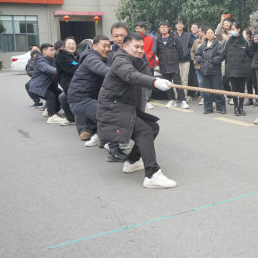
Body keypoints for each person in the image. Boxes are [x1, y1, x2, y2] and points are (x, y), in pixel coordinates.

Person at [97, 33, 177, 188]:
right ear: (125, 46)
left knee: (153, 127)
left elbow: (145, 78)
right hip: (113, 108)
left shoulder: (139, 61)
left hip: (126, 107)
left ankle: (132, 162)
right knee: (144, 131)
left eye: (142, 47)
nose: (140, 50)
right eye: (136, 47)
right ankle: (152, 175)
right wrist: (154, 82)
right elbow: (131, 76)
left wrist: (158, 82)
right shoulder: (120, 60)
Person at [68, 35, 112, 147]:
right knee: (109, 115)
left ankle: (100, 137)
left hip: (87, 95)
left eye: (109, 46)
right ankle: (114, 146)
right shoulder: (91, 58)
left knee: (105, 112)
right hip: (80, 98)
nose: (107, 48)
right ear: (94, 46)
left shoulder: (98, 57)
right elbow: (105, 71)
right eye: (104, 46)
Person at [154, 21, 189, 109]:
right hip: (163, 65)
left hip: (173, 64)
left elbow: (180, 51)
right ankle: (172, 100)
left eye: (165, 27)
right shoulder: (157, 39)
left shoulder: (174, 38)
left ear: (169, 28)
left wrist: (175, 59)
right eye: (162, 27)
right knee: (167, 84)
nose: (163, 28)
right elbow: (157, 52)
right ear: (159, 29)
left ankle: (183, 101)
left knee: (178, 83)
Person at [29, 43, 66, 124]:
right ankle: (52, 116)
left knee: (60, 95)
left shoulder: (52, 59)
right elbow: (47, 68)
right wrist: (60, 72)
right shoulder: (40, 60)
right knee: (51, 96)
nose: (53, 52)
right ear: (44, 52)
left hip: (48, 85)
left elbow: (63, 64)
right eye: (51, 50)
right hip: (39, 86)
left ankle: (49, 111)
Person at [194, 27, 226, 114]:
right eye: (208, 33)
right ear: (206, 34)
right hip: (204, 70)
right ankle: (208, 108)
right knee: (206, 91)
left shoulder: (218, 44)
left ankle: (221, 107)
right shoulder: (203, 44)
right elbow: (197, 55)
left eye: (211, 33)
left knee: (217, 90)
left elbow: (221, 55)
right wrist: (202, 62)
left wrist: (212, 62)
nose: (210, 34)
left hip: (215, 70)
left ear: (214, 34)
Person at [222, 22, 251, 116]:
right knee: (234, 89)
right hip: (231, 69)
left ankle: (241, 107)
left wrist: (247, 65)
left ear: (239, 29)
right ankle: (235, 107)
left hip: (243, 69)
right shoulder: (227, 42)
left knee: (241, 89)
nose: (233, 31)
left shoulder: (245, 41)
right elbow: (223, 55)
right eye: (231, 29)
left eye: (234, 29)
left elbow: (250, 54)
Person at [56, 37, 81, 126]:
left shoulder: (78, 56)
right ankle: (73, 119)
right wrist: (80, 65)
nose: (71, 46)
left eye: (73, 44)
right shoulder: (62, 55)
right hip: (71, 84)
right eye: (69, 44)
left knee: (63, 97)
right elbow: (73, 67)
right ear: (64, 47)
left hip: (78, 83)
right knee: (65, 97)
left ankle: (73, 119)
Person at [135, 21, 157, 110]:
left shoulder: (151, 38)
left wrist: (145, 60)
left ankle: (148, 101)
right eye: (135, 28)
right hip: (138, 63)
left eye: (138, 28)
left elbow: (153, 51)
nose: (136, 30)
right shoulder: (136, 38)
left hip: (149, 64)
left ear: (143, 28)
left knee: (148, 81)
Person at [174, 19, 194, 101]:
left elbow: (191, 46)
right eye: (178, 24)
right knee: (175, 79)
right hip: (175, 61)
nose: (179, 25)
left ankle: (184, 96)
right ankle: (174, 97)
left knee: (184, 79)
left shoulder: (188, 35)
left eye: (181, 23)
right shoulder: (172, 35)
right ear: (175, 26)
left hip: (186, 60)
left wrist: (187, 52)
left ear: (183, 25)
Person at [191, 25, 206, 105]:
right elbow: (192, 51)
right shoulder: (196, 41)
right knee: (200, 82)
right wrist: (194, 60)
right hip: (198, 66)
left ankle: (209, 97)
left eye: (199, 31)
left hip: (207, 66)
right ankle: (202, 97)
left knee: (207, 82)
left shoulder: (210, 41)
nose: (198, 33)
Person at [243, 29, 258, 106]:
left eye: (244, 33)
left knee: (255, 84)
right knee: (248, 84)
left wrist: (252, 65)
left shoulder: (251, 43)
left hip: (253, 66)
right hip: (246, 66)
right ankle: (250, 99)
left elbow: (254, 55)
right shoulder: (244, 43)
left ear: (248, 35)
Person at [188, 23, 200, 99]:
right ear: (191, 29)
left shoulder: (201, 36)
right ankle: (189, 94)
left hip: (200, 60)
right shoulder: (188, 36)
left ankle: (200, 94)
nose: (194, 29)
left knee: (200, 78)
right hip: (191, 59)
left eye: (196, 27)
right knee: (190, 77)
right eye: (193, 27)